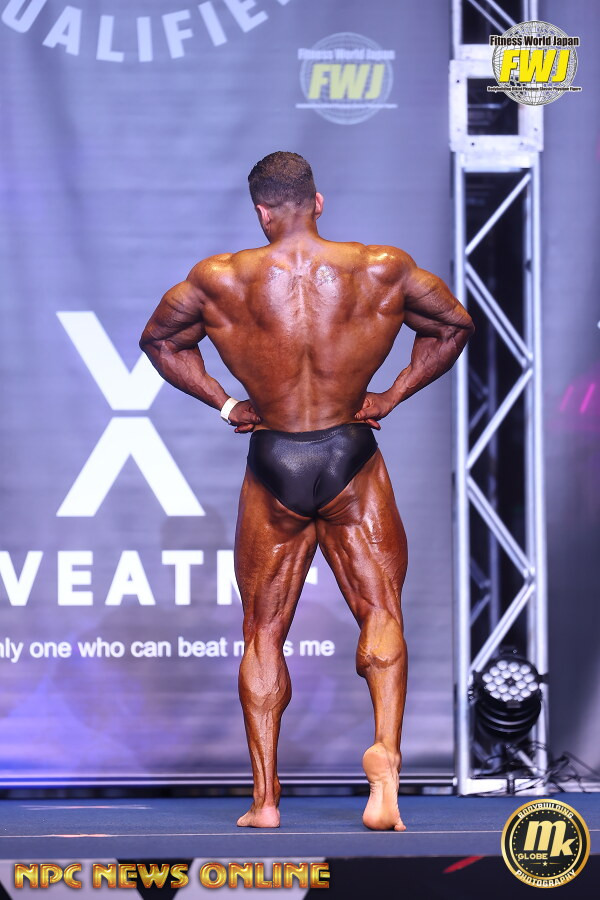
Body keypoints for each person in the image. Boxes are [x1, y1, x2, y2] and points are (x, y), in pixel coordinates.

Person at [140, 151, 474, 831]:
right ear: (317, 203)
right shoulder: (381, 267)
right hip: (351, 451)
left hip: (275, 456)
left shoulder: (219, 279)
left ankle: (265, 801)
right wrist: (390, 394)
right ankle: (386, 762)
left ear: (261, 211)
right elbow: (454, 326)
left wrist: (227, 404)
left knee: (263, 630)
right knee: (381, 609)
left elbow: (160, 342)